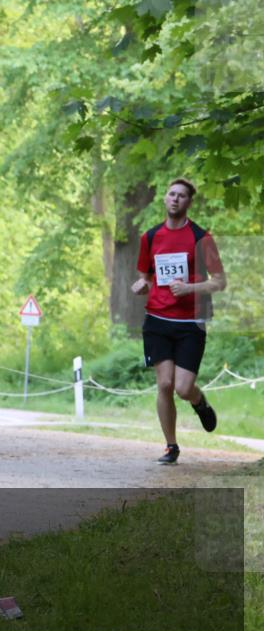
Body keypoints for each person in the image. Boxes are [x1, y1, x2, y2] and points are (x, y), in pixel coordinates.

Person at [131, 178, 226, 465]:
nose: (175, 199)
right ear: (165, 198)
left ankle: (199, 401)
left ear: (189, 202)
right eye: (171, 194)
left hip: (190, 322)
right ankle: (171, 446)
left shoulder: (201, 237)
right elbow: (145, 277)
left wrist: (189, 289)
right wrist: (141, 285)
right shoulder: (150, 236)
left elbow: (220, 282)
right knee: (165, 384)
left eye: (181, 195)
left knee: (183, 388)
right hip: (157, 319)